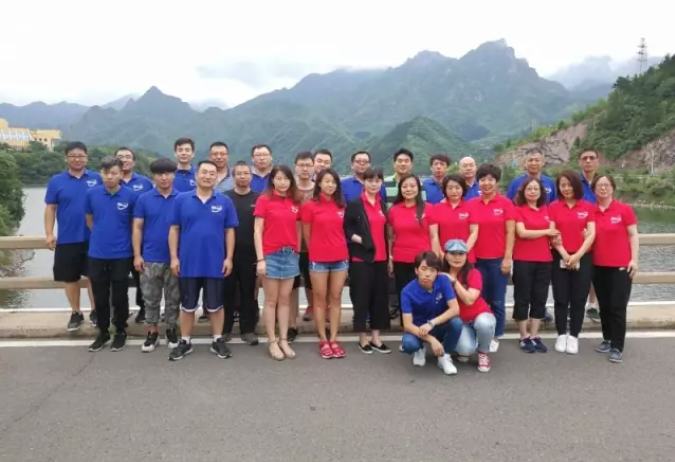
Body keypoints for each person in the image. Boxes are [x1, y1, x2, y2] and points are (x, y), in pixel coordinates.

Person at [168, 160, 238, 361]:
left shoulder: (224, 201)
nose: (207, 176)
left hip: (215, 262)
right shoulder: (181, 199)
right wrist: (174, 257)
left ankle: (217, 339)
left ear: (217, 177)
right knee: (188, 305)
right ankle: (185, 341)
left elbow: (229, 231)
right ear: (196, 175)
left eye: (212, 173)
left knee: (216, 305)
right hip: (188, 262)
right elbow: (174, 229)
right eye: (204, 172)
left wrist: (229, 258)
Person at [44, 141, 100, 331]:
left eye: (81, 155)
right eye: (73, 156)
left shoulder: (97, 178)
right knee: (70, 278)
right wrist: (49, 233)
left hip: (94, 238)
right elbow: (50, 208)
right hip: (67, 238)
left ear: (87, 157)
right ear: (66, 158)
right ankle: (76, 312)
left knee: (94, 277)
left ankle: (96, 311)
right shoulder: (56, 181)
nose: (77, 159)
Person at [85, 157, 137, 352]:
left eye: (114, 173)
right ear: (101, 174)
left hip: (122, 253)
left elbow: (135, 226)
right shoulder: (92, 194)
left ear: (121, 174)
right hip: (97, 253)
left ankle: (121, 330)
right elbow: (89, 219)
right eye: (106, 173)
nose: (109, 177)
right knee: (100, 295)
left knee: (120, 295)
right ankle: (103, 331)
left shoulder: (131, 196)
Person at [254, 165, 302, 361]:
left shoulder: (295, 201)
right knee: (271, 300)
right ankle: (272, 341)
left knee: (285, 300)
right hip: (270, 255)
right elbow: (257, 231)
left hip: (290, 255)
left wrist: (297, 251)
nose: (283, 182)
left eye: (286, 178)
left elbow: (298, 228)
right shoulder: (264, 200)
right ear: (272, 180)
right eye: (279, 178)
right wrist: (260, 259)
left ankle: (283, 339)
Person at [132, 158, 181, 352]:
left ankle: (171, 329)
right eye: (160, 174)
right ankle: (152, 332)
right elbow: (137, 227)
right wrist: (137, 255)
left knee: (173, 298)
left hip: (175, 258)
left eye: (168, 173)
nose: (164, 177)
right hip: (150, 257)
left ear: (173, 175)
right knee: (150, 298)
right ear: (154, 176)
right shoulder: (143, 199)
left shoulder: (182, 198)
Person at [302, 168, 349, 359]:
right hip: (318, 260)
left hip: (340, 258)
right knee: (319, 300)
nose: (330, 185)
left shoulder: (342, 205)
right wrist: (315, 252)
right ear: (319, 183)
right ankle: (323, 339)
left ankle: (334, 338)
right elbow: (306, 234)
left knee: (336, 298)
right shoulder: (310, 206)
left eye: (333, 182)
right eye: (326, 181)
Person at [591, 174, 639, 364]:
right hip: (598, 265)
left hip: (620, 266)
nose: (603, 188)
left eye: (607, 185)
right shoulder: (591, 211)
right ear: (594, 189)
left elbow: (633, 235)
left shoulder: (624, 210)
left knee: (617, 306)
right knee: (604, 305)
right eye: (599, 185)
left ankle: (617, 346)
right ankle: (607, 338)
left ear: (612, 188)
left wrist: (634, 259)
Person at [344, 167, 391, 354]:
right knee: (361, 298)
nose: (373, 184)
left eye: (377, 181)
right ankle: (362, 338)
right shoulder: (355, 204)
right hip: (361, 258)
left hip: (381, 258)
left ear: (381, 183)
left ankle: (376, 337)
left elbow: (387, 233)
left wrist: (390, 257)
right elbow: (346, 229)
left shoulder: (382, 205)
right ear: (364, 182)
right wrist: (360, 240)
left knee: (380, 298)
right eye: (370, 180)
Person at [470, 163, 515, 353]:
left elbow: (510, 232)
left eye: (491, 179)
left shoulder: (505, 204)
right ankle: (480, 332)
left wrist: (507, 258)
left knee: (497, 300)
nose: (486, 183)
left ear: (496, 182)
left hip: (498, 260)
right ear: (478, 182)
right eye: (482, 179)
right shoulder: (472, 204)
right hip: (477, 261)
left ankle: (496, 334)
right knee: (479, 299)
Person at [549, 170, 596, 354]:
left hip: (583, 257)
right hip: (559, 256)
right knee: (561, 297)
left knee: (579, 298)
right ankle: (561, 334)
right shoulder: (553, 207)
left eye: (569, 185)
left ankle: (574, 335)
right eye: (563, 185)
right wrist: (564, 254)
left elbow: (591, 234)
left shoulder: (588, 207)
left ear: (576, 185)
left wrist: (577, 256)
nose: (566, 188)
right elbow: (552, 234)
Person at [512, 178, 557, 353]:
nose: (532, 191)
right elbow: (522, 233)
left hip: (545, 260)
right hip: (523, 259)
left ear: (541, 192)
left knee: (540, 297)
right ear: (523, 192)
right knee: (522, 297)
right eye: (529, 189)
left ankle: (534, 335)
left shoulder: (547, 210)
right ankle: (523, 336)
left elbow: (554, 233)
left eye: (535, 189)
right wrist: (546, 231)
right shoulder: (518, 210)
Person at [400, 251, 463, 375]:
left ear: (437, 272)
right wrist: (432, 340)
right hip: (419, 329)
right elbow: (407, 325)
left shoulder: (443, 281)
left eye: (432, 270)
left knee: (457, 323)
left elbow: (455, 309)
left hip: (438, 325)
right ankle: (420, 348)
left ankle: (444, 356)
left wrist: (432, 323)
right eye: (423, 269)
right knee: (408, 344)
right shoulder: (407, 291)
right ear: (416, 270)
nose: (427, 274)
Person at [442, 239, 495, 373]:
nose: (457, 257)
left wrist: (454, 281)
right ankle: (470, 340)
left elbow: (469, 300)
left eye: (461, 253)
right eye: (453, 253)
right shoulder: (440, 275)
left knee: (485, 323)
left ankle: (483, 352)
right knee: (465, 350)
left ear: (466, 256)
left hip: (480, 315)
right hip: (460, 321)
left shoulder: (473, 273)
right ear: (446, 255)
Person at [223, 161, 260, 346]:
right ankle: (225, 329)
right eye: (239, 173)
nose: (243, 176)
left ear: (251, 176)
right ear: (233, 176)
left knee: (248, 293)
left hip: (251, 253)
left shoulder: (259, 198)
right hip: (227, 254)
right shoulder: (225, 198)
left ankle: (248, 329)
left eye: (246, 173)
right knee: (227, 292)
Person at [388, 174, 433, 324]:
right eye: (405, 186)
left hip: (423, 261)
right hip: (400, 259)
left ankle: (423, 327)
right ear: (400, 189)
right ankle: (407, 327)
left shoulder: (428, 208)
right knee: (404, 294)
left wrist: (435, 260)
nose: (408, 189)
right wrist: (390, 258)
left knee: (423, 294)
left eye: (412, 186)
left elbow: (434, 236)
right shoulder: (394, 210)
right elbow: (390, 237)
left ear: (418, 188)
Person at [116, 146, 154, 324]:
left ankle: (143, 309)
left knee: (142, 278)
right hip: (118, 240)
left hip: (142, 239)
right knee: (118, 279)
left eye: (128, 157)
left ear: (133, 161)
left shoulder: (144, 182)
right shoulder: (109, 181)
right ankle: (120, 313)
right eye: (120, 157)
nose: (124, 160)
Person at [429, 174, 478, 262]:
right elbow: (434, 235)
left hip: (466, 257)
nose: (454, 191)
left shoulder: (471, 207)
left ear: (463, 189)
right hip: (444, 257)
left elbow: (474, 232)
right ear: (445, 190)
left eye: (457, 188)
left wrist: (464, 252)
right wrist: (442, 254)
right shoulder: (436, 208)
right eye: (450, 188)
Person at [292, 151, 315, 334]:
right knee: (291, 282)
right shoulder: (290, 190)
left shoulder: (319, 189)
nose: (305, 168)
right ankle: (291, 316)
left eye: (308, 165)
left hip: (314, 244)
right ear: (295, 167)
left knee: (311, 280)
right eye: (301, 165)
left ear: (314, 167)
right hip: (291, 245)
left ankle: (312, 307)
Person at [578, 149, 601, 322]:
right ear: (579, 162)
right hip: (576, 233)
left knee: (597, 270)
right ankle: (574, 305)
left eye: (591, 158)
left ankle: (592, 305)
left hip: (599, 232)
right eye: (584, 158)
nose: (588, 161)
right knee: (575, 271)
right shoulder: (574, 182)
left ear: (597, 161)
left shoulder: (603, 182)